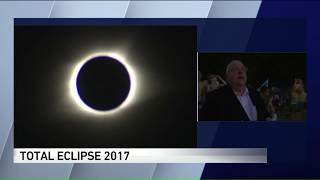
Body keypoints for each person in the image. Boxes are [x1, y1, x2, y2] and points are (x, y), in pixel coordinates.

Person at [200, 60, 276, 121]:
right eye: (235, 69)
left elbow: (263, 115)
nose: (240, 71)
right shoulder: (214, 98)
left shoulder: (255, 94)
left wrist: (268, 117)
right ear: (227, 77)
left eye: (243, 69)